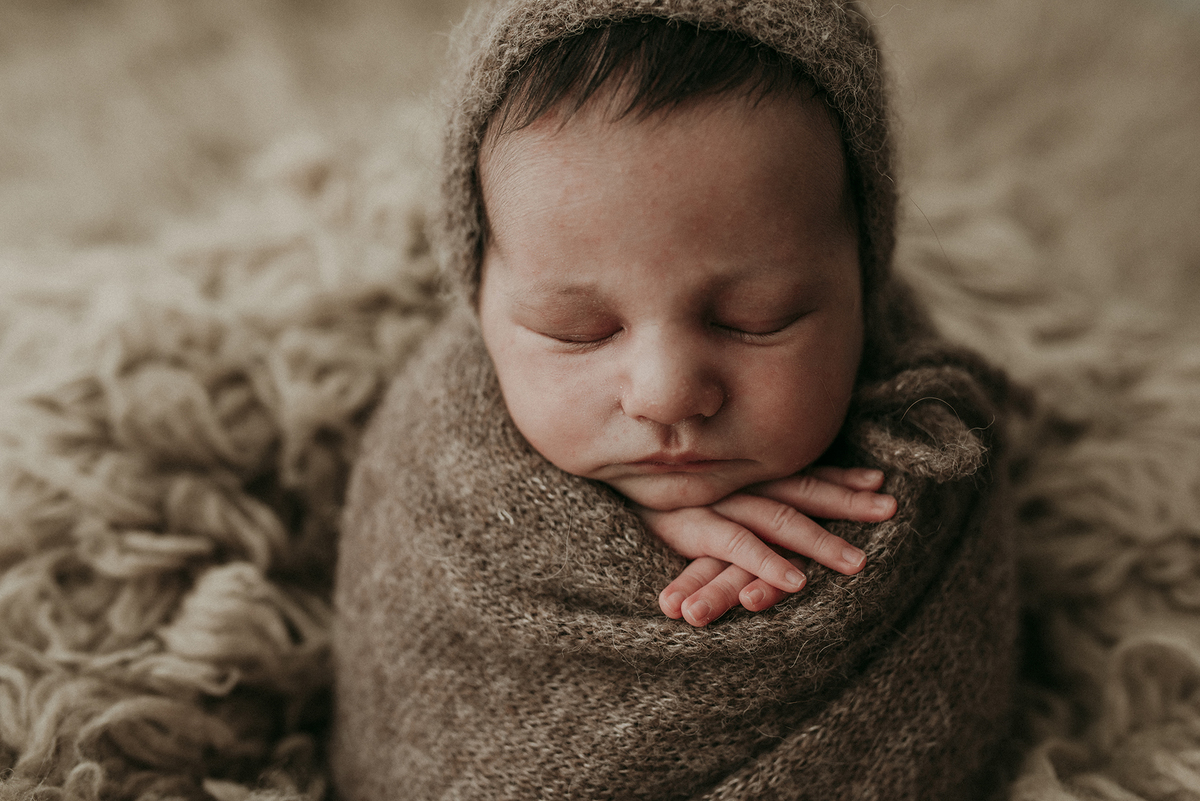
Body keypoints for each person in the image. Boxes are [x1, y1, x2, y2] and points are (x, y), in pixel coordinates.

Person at [333, 1, 1019, 798]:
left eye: (754, 319)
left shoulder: (932, 455)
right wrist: (607, 539)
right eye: (577, 330)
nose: (665, 394)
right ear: (480, 301)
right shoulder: (434, 467)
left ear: (862, 282)